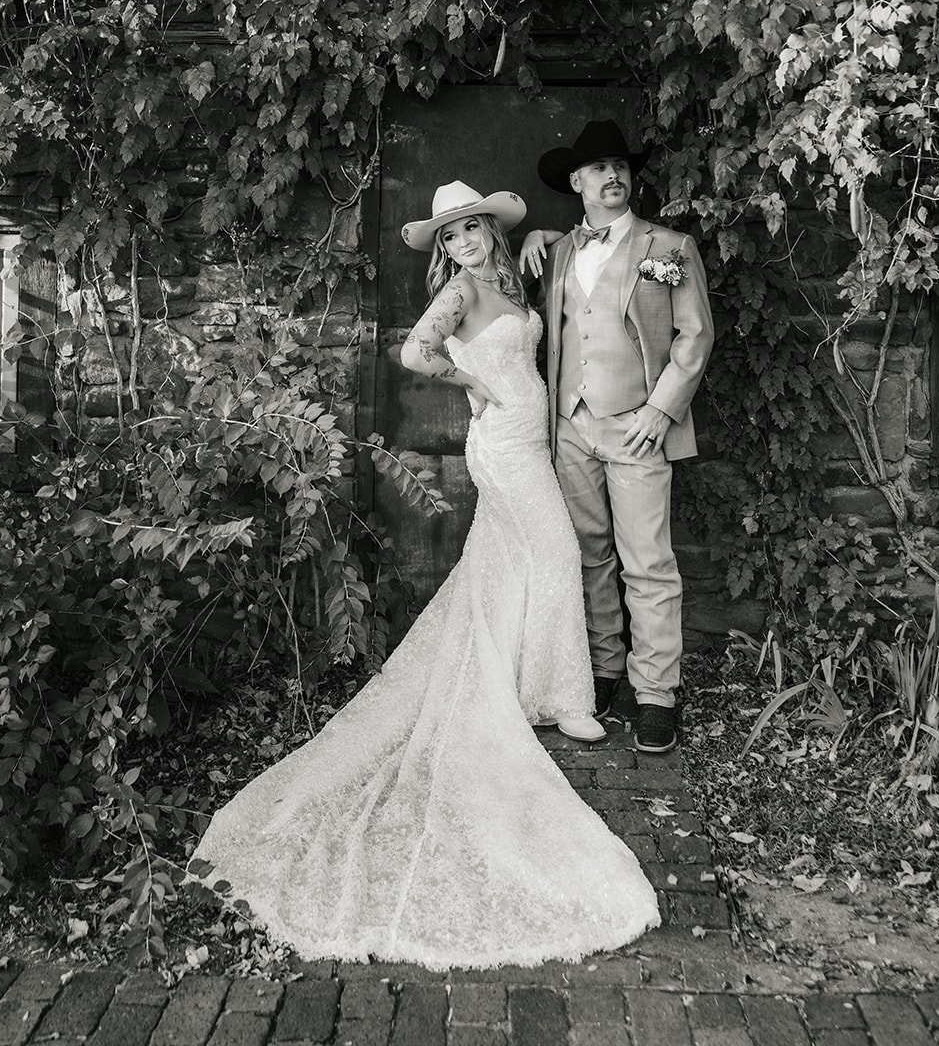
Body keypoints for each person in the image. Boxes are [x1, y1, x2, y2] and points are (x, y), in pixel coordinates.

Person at [189, 179, 659, 969]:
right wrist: (470, 381)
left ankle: (523, 682)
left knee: (508, 560)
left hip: (526, 435)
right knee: (551, 551)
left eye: (475, 229)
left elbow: (541, 279)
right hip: (503, 444)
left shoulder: (507, 279)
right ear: (444, 248)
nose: (467, 241)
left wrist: (544, 245)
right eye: (455, 235)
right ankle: (562, 697)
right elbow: (414, 351)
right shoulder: (462, 290)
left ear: (489, 233)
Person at [520, 120, 715, 757]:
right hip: (570, 426)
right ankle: (602, 671)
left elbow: (695, 335)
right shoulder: (559, 252)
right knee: (588, 555)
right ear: (576, 182)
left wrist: (661, 411)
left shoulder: (670, 246)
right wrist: (534, 235)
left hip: (636, 425)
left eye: (620, 167)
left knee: (648, 562)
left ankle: (657, 692)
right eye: (598, 168)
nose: (612, 176)